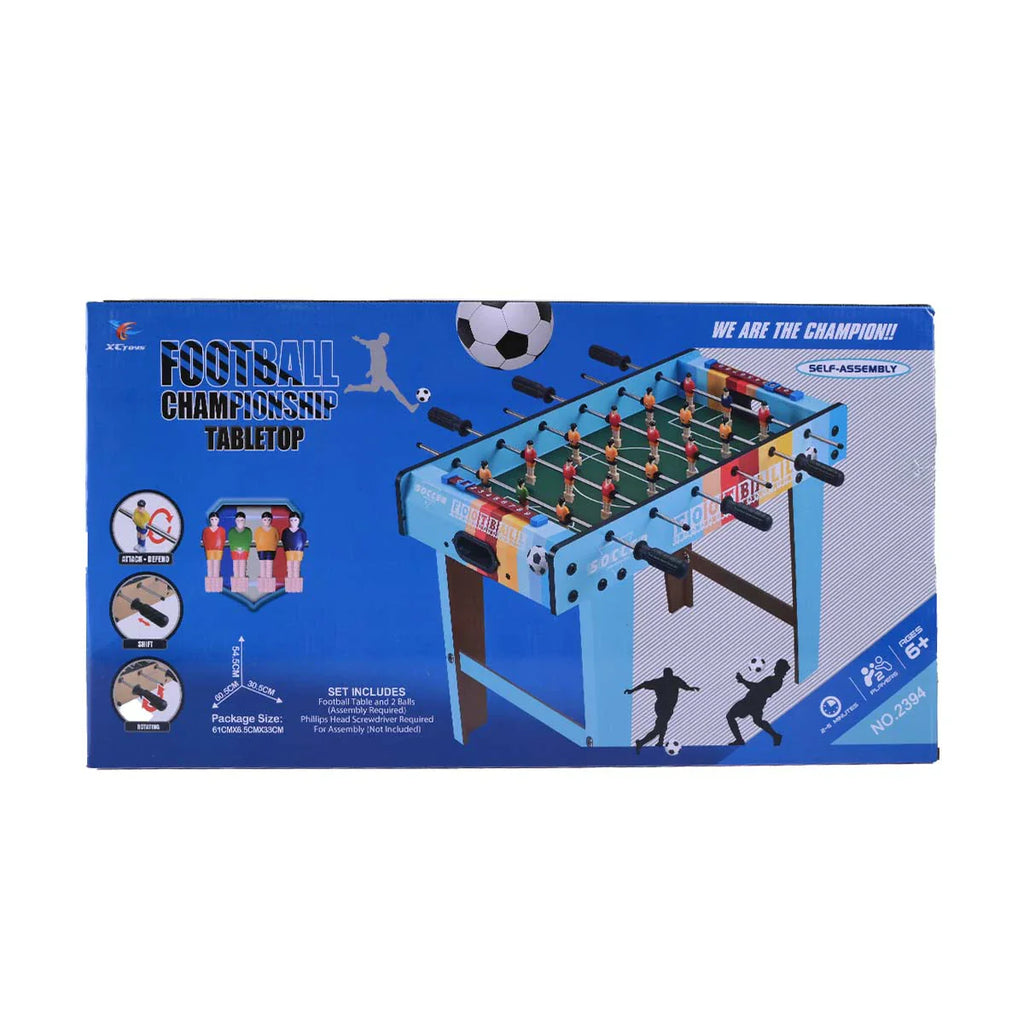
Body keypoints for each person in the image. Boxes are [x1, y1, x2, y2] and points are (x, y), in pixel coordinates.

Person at [625, 668, 700, 753]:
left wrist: (691, 688)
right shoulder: (669, 680)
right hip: (662, 707)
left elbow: (685, 687)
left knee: (663, 724)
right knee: (659, 728)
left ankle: (660, 742)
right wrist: (632, 690)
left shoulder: (669, 680)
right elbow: (644, 684)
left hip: (666, 708)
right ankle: (641, 742)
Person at [344, 333, 418, 413]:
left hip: (380, 374)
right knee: (395, 391)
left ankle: (352, 387)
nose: (387, 343)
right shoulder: (375, 344)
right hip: (381, 376)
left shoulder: (379, 348)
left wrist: (371, 371)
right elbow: (366, 343)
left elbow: (376, 362)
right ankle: (410, 407)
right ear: (382, 339)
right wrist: (358, 339)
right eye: (386, 341)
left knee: (374, 388)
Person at [726, 658, 791, 746]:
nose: (775, 668)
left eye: (777, 666)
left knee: (730, 716)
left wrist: (743, 681)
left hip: (750, 702)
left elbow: (756, 687)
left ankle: (739, 740)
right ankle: (775, 736)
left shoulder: (774, 680)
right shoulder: (776, 680)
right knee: (758, 721)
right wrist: (743, 681)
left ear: (780, 669)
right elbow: (757, 687)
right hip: (758, 703)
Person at [281, 512, 309, 587]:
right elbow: (283, 540)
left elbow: (303, 540)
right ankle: (290, 584)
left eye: (295, 520)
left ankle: (296, 584)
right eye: (292, 520)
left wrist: (300, 548)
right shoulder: (286, 531)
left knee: (296, 567)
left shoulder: (302, 532)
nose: (293, 522)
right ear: (289, 521)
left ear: (299, 521)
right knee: (290, 567)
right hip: (289, 551)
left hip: (298, 551)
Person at [254, 511, 280, 582]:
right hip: (261, 550)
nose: (267, 521)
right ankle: (263, 582)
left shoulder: (274, 530)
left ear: (271, 520)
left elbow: (277, 538)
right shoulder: (258, 530)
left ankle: (269, 583)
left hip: (271, 550)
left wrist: (273, 545)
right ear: (262, 520)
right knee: (262, 566)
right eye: (265, 520)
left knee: (269, 566)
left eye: (269, 519)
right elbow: (256, 538)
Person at [227, 512, 253, 581]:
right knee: (235, 568)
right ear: (235, 521)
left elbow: (248, 541)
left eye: (242, 520)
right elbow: (231, 541)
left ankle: (243, 584)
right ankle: (235, 585)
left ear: (245, 520)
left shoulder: (248, 531)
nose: (240, 522)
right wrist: (235, 549)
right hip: (234, 552)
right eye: (238, 520)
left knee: (242, 568)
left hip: (244, 552)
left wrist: (243, 549)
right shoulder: (231, 531)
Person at [202, 512, 226, 578]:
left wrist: (220, 547)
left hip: (218, 550)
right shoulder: (206, 530)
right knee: (210, 566)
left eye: (216, 519)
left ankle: (216, 581)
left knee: (217, 565)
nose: (214, 521)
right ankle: (210, 581)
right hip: (209, 550)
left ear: (218, 520)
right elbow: (204, 539)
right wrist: (207, 547)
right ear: (209, 520)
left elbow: (223, 539)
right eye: (212, 519)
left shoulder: (222, 530)